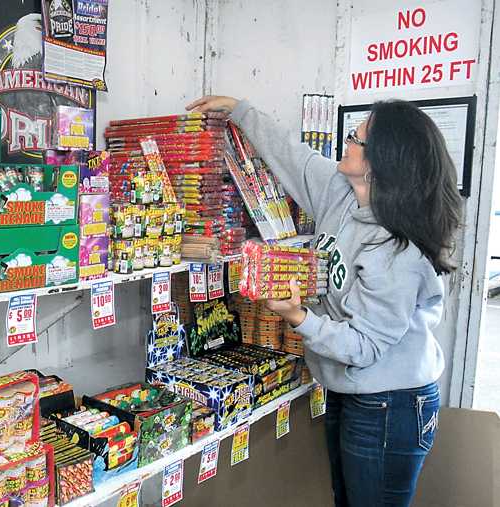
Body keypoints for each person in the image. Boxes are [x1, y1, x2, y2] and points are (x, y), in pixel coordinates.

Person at [187, 95, 463, 507]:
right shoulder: (342, 194)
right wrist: (240, 109)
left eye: (357, 138)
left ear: (379, 162)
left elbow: (365, 348)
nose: (346, 143)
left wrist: (300, 318)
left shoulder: (397, 253)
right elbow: (293, 157)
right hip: (348, 387)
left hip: (391, 402)